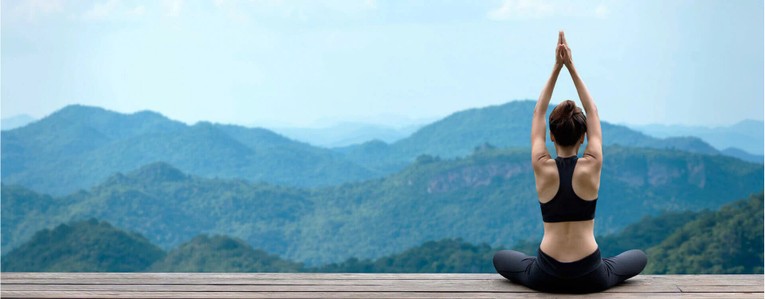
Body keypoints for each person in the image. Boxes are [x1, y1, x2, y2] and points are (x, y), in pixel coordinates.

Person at [492, 31, 647, 293]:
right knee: (638, 257)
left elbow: (538, 112)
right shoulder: (592, 163)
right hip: (591, 275)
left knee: (501, 258)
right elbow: (593, 111)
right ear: (584, 136)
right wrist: (571, 66)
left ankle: (540, 266)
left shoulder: (542, 165)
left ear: (551, 136)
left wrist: (556, 67)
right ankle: (605, 266)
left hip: (545, 274)